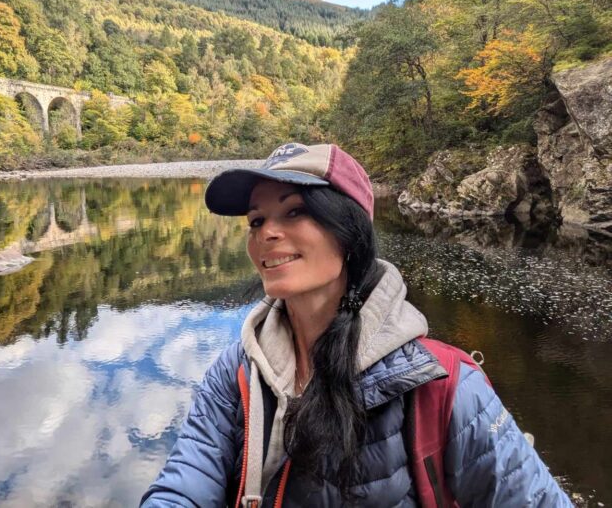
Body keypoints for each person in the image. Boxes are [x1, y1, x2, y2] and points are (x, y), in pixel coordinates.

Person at [141, 143, 571, 507]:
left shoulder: (445, 388)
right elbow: (184, 484)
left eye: (293, 212)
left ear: (348, 233)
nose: (267, 233)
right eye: (257, 221)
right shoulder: (235, 374)